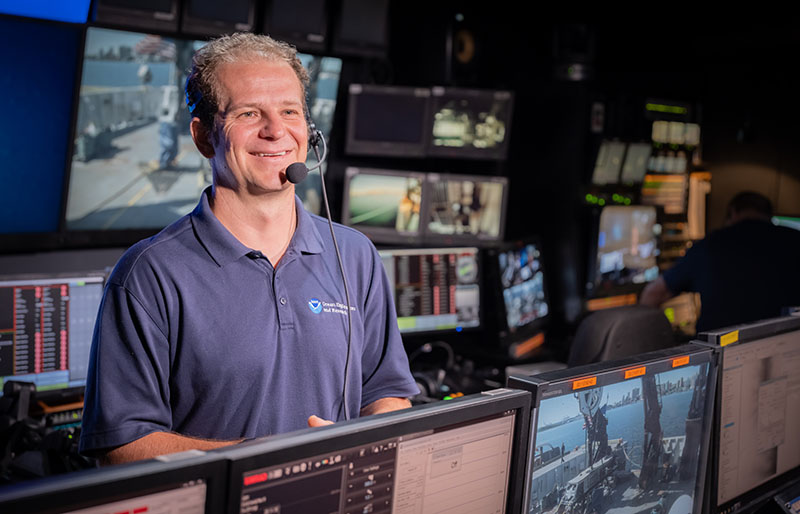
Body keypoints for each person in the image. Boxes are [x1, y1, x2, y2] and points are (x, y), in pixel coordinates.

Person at [79, 33, 419, 465]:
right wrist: (258, 457)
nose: (276, 130)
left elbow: (387, 392)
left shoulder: (355, 254)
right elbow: (120, 447)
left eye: (290, 111)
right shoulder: (148, 274)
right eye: (249, 113)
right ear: (204, 137)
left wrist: (367, 444)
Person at [640, 191, 800, 332]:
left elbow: (654, 294)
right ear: (769, 214)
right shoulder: (795, 241)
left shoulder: (711, 244)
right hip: (786, 350)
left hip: (718, 355)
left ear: (732, 212)